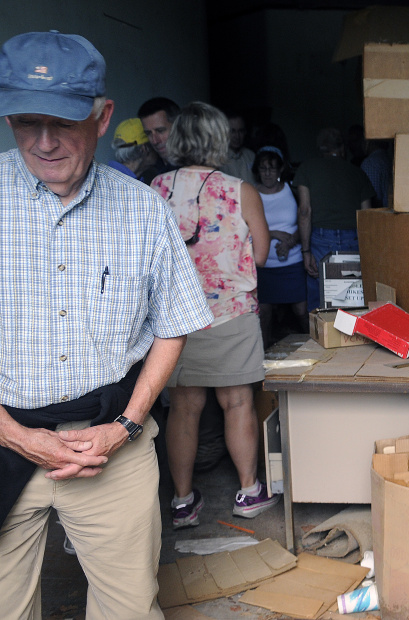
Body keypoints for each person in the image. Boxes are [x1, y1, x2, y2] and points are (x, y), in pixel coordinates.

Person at [0, 31, 213, 618]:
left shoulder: (144, 210)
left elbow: (174, 324)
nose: (42, 143)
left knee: (128, 608)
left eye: (63, 123)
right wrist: (16, 435)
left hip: (109, 445)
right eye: (25, 122)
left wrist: (125, 424)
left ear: (102, 117)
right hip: (3, 433)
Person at [150, 102, 277, 530]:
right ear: (219, 140)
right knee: (237, 402)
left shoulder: (156, 187)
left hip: (175, 319)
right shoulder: (240, 190)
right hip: (230, 315)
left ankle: (183, 501)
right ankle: (248, 492)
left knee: (183, 408)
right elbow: (259, 254)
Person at [295, 127, 375, 311]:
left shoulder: (307, 169)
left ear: (320, 148)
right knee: (351, 294)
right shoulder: (357, 173)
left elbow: (305, 211)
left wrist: (306, 251)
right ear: (343, 149)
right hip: (353, 239)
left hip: (320, 239)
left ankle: (321, 335)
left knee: (320, 297)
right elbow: (367, 217)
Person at [254, 146, 308, 347]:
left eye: (272, 168)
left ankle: (314, 345)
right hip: (265, 265)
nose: (267, 173)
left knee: (301, 310)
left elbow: (306, 218)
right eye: (263, 169)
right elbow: (245, 227)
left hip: (293, 263)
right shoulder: (251, 193)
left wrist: (291, 241)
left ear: (280, 170)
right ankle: (264, 351)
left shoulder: (291, 190)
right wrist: (273, 235)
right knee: (264, 313)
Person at [138, 96, 180, 182]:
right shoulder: (147, 172)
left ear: (178, 126)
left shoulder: (197, 169)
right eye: (148, 133)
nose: (155, 141)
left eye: (160, 131)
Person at [219, 109, 254, 183]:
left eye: (240, 131)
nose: (237, 136)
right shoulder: (218, 158)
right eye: (232, 131)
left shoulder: (251, 156)